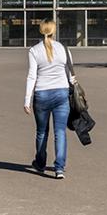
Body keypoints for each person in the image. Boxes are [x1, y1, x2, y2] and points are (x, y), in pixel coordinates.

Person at [23, 19, 73, 178]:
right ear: (54, 31)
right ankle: (59, 168)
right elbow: (71, 74)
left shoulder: (34, 50)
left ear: (41, 31)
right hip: (61, 93)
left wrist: (27, 100)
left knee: (42, 131)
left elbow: (32, 76)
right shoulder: (64, 49)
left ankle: (40, 163)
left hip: (42, 94)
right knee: (60, 132)